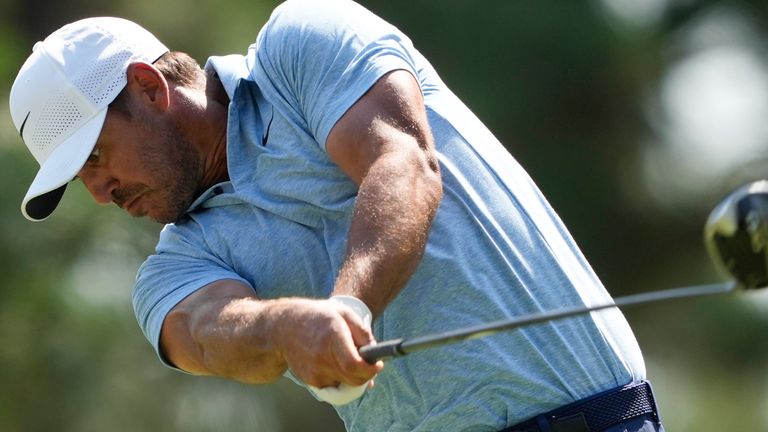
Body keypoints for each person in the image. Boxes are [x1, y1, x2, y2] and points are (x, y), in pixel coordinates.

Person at [9, 1, 666, 431]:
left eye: (96, 157)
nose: (99, 193)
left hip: (595, 419)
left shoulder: (304, 44)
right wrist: (287, 326)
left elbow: (402, 161)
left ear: (150, 89)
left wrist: (348, 307)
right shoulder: (173, 268)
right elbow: (208, 331)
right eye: (78, 180)